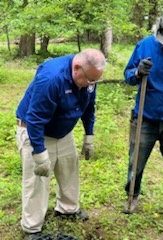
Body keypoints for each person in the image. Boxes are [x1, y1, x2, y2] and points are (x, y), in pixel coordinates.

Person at [16, 48, 106, 240]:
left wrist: (89, 135)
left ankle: (67, 208)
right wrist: (39, 154)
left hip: (63, 132)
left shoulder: (89, 78)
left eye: (95, 81)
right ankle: (31, 228)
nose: (92, 84)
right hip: (36, 131)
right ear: (76, 68)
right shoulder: (51, 78)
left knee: (69, 168)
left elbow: (89, 107)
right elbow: (35, 118)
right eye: (89, 80)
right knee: (38, 180)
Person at [123, 10, 163, 221]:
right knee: (135, 161)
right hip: (145, 116)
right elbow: (127, 77)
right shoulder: (145, 46)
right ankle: (132, 196)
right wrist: (137, 72)